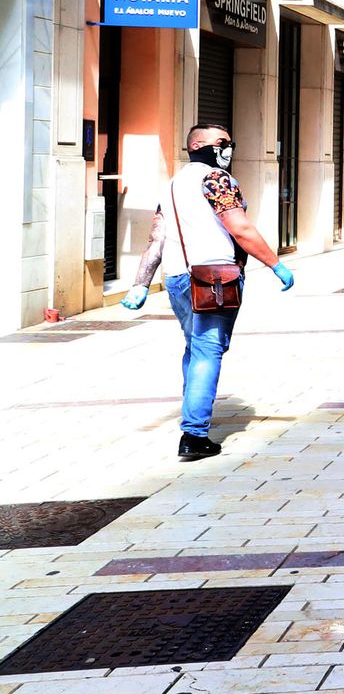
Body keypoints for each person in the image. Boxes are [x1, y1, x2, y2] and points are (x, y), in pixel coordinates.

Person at [122, 123, 296, 461]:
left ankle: (193, 417)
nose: (230, 148)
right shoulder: (215, 179)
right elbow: (240, 227)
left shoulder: (172, 185)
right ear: (201, 145)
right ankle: (194, 434)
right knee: (208, 349)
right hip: (215, 279)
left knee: (195, 346)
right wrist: (275, 265)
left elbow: (156, 239)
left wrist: (140, 284)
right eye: (224, 143)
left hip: (178, 278)